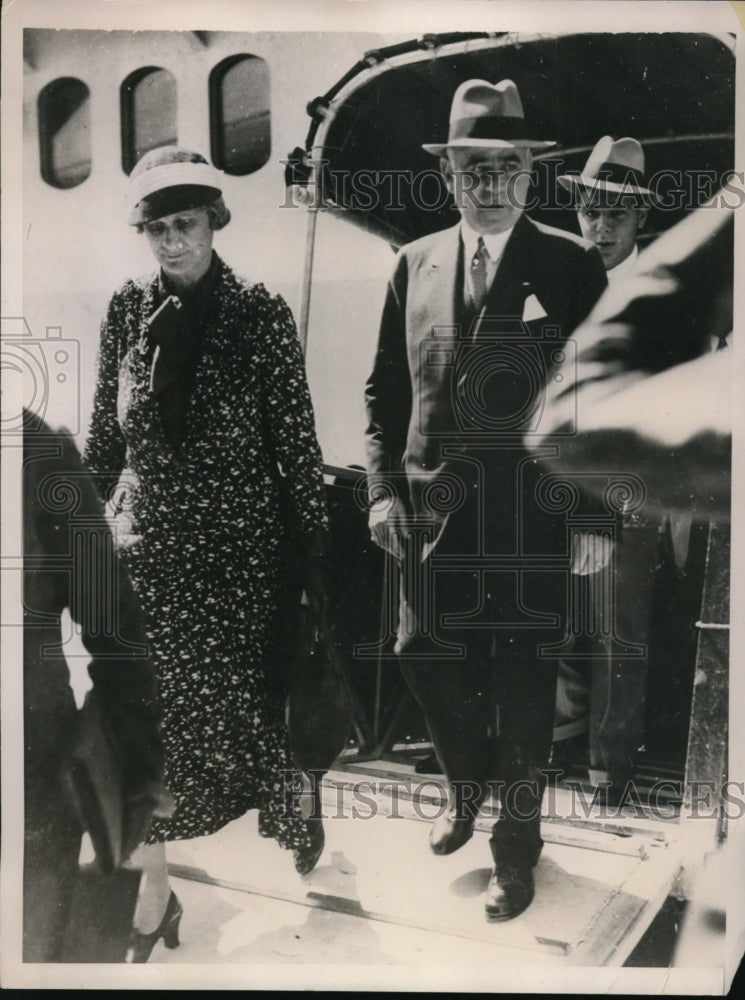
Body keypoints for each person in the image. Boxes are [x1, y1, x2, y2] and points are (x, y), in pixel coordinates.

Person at [365, 79, 607, 920]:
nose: (491, 183)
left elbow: (600, 398)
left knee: (523, 683)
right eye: (474, 168)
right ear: (449, 177)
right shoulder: (414, 262)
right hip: (432, 514)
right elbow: (382, 395)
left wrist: (594, 516)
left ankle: (516, 851)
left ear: (530, 175)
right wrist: (378, 493)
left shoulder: (570, 267)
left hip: (529, 517)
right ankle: (466, 787)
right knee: (418, 652)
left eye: (507, 166)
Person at [83, 146, 329, 962]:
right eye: (155, 228)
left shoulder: (258, 312)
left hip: (238, 562)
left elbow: (296, 446)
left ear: (213, 222)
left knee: (249, 720)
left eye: (184, 224)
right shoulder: (126, 310)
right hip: (150, 554)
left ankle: (298, 794)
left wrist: (312, 566)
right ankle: (154, 889)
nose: (171, 242)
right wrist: (77, 539)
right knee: (140, 727)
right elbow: (101, 441)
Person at [23, 409, 165, 962]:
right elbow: (118, 628)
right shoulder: (35, 449)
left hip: (30, 785)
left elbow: (116, 626)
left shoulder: (36, 454)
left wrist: (135, 772)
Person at [550, 136, 669, 798]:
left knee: (617, 634)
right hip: (553, 480)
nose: (598, 226)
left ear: (639, 222)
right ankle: (552, 752)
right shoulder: (554, 277)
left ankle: (607, 773)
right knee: (553, 622)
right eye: (589, 210)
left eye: (614, 215)